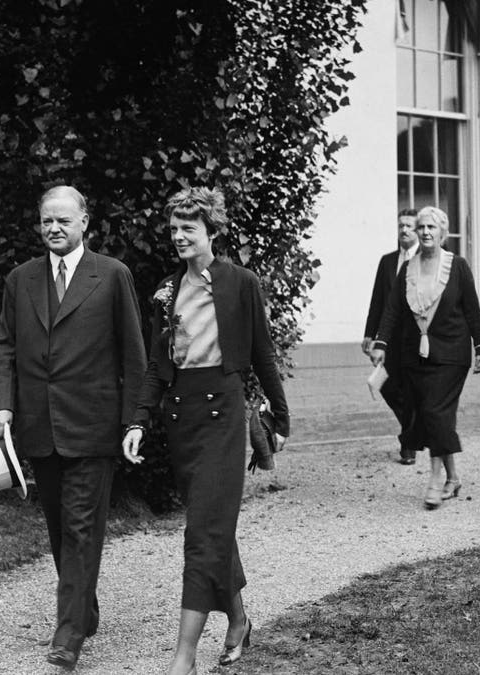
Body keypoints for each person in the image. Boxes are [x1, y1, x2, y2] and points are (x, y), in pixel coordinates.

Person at [122, 187, 289, 675]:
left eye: (188, 229)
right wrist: (138, 420)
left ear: (211, 232)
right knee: (213, 529)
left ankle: (183, 657)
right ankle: (238, 620)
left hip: (223, 416)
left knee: (201, 535)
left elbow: (262, 353)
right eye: (173, 229)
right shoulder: (167, 291)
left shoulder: (240, 283)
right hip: (181, 422)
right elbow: (158, 364)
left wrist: (280, 417)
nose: (178, 237)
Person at [0, 185, 146, 670]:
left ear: (84, 224)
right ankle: (84, 608)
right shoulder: (21, 279)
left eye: (64, 220)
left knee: (81, 527)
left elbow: (134, 354)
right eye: (46, 221)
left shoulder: (112, 275)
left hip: (93, 426)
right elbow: (4, 346)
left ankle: (68, 633)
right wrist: (0, 405)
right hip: (39, 427)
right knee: (59, 527)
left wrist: (134, 419)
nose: (54, 228)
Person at [369, 206, 480, 509]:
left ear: (443, 232)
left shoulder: (457, 266)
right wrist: (380, 342)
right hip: (416, 355)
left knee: (435, 411)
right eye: (421, 227)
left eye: (431, 227)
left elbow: (472, 309)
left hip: (452, 354)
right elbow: (393, 308)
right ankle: (453, 478)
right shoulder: (408, 268)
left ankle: (435, 481)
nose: (425, 232)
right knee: (434, 414)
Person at [363, 209, 420, 464]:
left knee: (411, 388)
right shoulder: (387, 261)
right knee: (385, 385)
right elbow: (378, 300)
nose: (404, 230)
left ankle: (408, 443)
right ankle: (413, 428)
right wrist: (369, 334)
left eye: (409, 225)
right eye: (401, 225)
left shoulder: (425, 259)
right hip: (389, 338)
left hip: (418, 338)